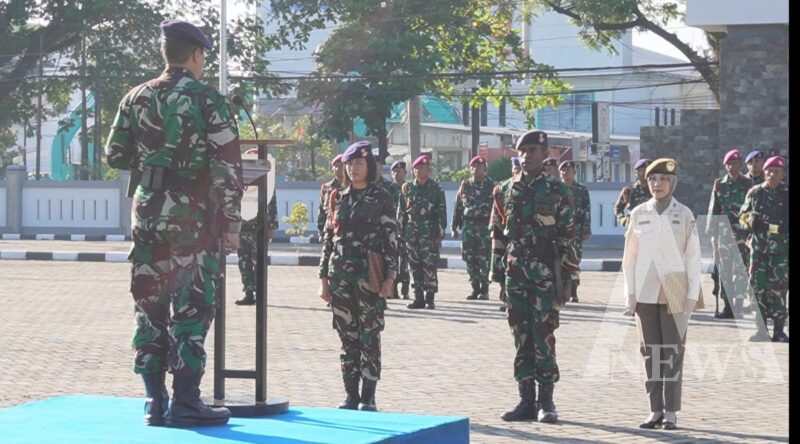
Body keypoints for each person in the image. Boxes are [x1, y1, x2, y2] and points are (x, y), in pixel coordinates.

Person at [105, 20, 242, 427]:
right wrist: (231, 222)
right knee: (192, 305)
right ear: (197, 55)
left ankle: (154, 402)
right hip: (193, 219)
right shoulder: (208, 100)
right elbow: (228, 169)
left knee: (150, 304)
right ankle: (186, 402)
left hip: (147, 215)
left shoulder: (136, 97)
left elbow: (114, 155)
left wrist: (152, 162)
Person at [499, 130, 576, 423]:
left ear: (545, 155)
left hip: (545, 276)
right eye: (523, 150)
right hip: (515, 275)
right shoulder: (506, 189)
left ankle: (547, 402)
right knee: (521, 338)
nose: (527, 155)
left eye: (533, 150)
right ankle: (525, 401)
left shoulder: (557, 192)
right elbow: (499, 235)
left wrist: (568, 279)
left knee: (543, 337)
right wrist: (499, 278)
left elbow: (568, 238)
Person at [622, 158, 702, 431]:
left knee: (672, 352)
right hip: (645, 291)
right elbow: (629, 258)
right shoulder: (638, 213)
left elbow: (693, 256)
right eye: (652, 179)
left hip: (676, 288)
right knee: (650, 352)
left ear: (673, 183)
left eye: (663, 179)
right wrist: (629, 294)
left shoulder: (684, 214)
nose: (657, 184)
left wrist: (692, 296)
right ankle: (654, 409)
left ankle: (671, 411)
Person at [318, 141, 398, 411]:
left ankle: (369, 396)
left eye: (359, 163)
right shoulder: (337, 197)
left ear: (369, 166)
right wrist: (323, 279)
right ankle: (351, 395)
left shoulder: (382, 197)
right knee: (347, 338)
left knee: (369, 337)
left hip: (369, 278)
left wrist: (390, 278)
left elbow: (391, 240)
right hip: (340, 277)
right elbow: (329, 239)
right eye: (350, 164)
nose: (353, 168)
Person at [739, 155, 789, 342]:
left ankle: (778, 331)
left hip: (781, 253)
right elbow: (742, 216)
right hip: (759, 251)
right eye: (769, 170)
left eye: (776, 171)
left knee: (779, 290)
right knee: (757, 288)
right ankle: (761, 330)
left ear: (782, 173)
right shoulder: (755, 193)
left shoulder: (786, 193)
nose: (772, 174)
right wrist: (749, 220)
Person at [705, 149, 753, 318]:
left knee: (741, 271)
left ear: (741, 165)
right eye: (729, 164)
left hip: (743, 235)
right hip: (724, 235)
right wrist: (711, 234)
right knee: (724, 271)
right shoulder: (720, 184)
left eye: (736, 163)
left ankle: (739, 304)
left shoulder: (748, 184)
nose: (733, 166)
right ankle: (728, 306)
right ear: (725, 165)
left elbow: (753, 209)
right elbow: (714, 209)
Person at [399, 154, 446, 309]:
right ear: (413, 171)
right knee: (415, 266)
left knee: (429, 266)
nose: (420, 171)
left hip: (429, 234)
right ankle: (418, 298)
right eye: (417, 168)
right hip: (411, 233)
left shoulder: (436, 189)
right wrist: (401, 230)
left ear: (429, 170)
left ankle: (430, 297)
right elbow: (402, 212)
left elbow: (442, 212)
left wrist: (441, 231)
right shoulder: (407, 188)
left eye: (424, 168)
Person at [452, 156, 495, 300]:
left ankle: (484, 290)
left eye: (480, 167)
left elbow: (498, 208)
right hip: (468, 227)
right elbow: (458, 206)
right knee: (469, 259)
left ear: (485, 169)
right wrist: (454, 227)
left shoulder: (492, 186)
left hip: (485, 227)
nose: (476, 170)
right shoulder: (465, 185)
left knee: (484, 259)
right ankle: (475, 288)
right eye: (474, 167)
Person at [235, 191, 278, 305]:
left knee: (258, 262)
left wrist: (272, 226)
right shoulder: (239, 180)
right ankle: (249, 293)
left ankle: (260, 293)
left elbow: (271, 203)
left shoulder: (265, 180)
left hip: (259, 229)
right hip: (242, 227)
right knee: (244, 263)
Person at [490, 157, 521, 312]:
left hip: (524, 238)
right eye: (515, 169)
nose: (517, 172)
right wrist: (495, 235)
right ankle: (507, 298)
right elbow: (496, 214)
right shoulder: (502, 188)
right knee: (504, 267)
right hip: (505, 235)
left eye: (520, 169)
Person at [559, 160, 591, 303]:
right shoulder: (556, 188)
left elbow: (587, 210)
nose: (566, 174)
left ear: (574, 173)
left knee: (574, 261)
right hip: (559, 232)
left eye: (569, 171)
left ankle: (574, 291)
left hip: (576, 232)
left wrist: (586, 228)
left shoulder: (581, 190)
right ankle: (561, 290)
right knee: (559, 261)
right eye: (563, 171)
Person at [388, 160, 410, 299]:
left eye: (400, 171)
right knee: (392, 260)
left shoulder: (410, 188)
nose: (397, 174)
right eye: (394, 171)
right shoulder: (388, 189)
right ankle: (393, 289)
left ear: (405, 173)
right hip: (391, 230)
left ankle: (405, 290)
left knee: (406, 260)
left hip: (408, 230)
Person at [615, 159, 652, 227]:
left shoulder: (656, 190)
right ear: (636, 173)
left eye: (647, 171)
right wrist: (623, 220)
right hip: (634, 229)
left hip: (652, 228)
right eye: (642, 171)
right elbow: (618, 209)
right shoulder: (629, 191)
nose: (645, 174)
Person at [317, 155, 346, 236]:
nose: (338, 169)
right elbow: (322, 210)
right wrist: (321, 230)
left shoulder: (351, 186)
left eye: (341, 166)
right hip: (329, 228)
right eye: (336, 166)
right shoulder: (326, 187)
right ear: (332, 169)